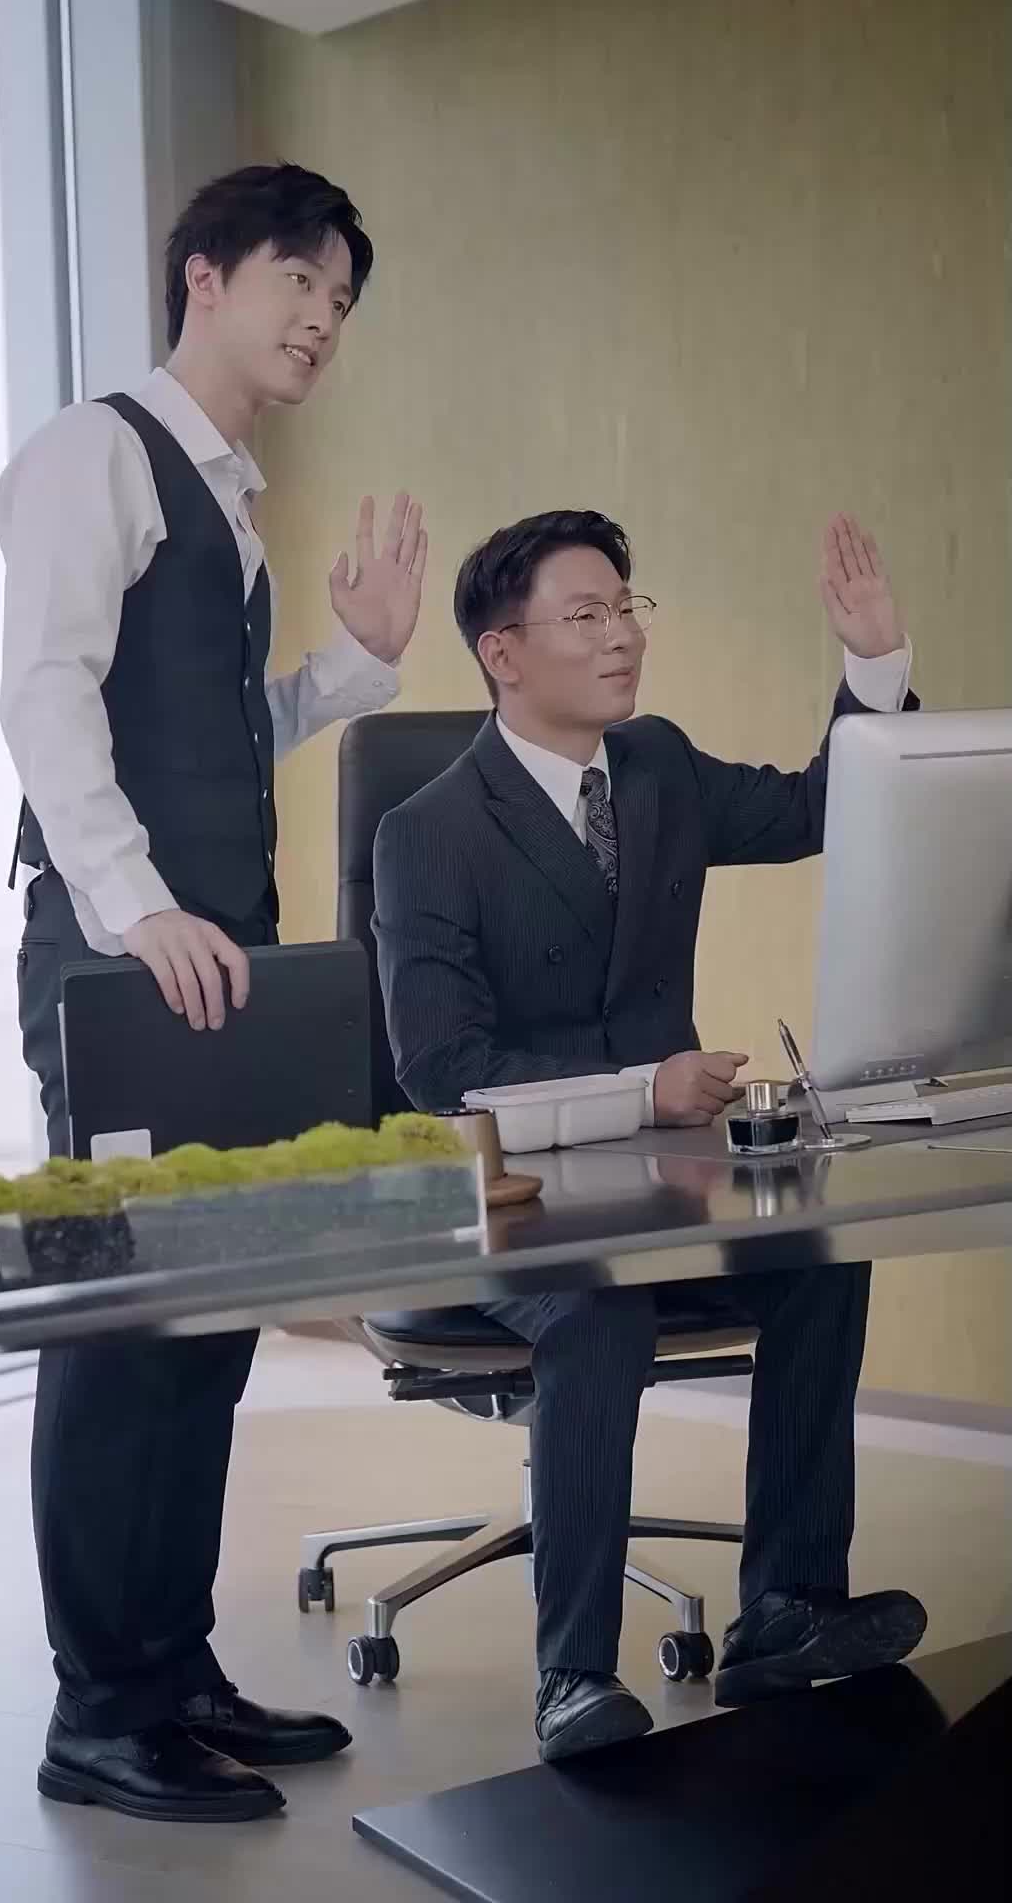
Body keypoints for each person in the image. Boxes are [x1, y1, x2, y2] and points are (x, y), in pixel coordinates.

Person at [0, 162, 427, 1823]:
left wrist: (357, 667)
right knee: (122, 1335)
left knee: (205, 1329)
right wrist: (133, 903)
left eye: (342, 299)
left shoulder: (225, 501)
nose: (323, 318)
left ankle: (172, 1669)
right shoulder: (96, 452)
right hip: (123, 963)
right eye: (298, 280)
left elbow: (220, 731)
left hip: (213, 963)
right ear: (206, 279)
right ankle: (99, 1711)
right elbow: (43, 694)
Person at [373, 508, 927, 1765]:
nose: (622, 635)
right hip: (506, 1198)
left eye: (627, 609)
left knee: (824, 1255)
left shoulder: (659, 766)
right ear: (504, 653)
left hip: (663, 1179)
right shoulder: (429, 833)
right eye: (587, 615)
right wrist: (643, 1090)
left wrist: (874, 663)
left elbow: (820, 809)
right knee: (597, 1310)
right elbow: (445, 1070)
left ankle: (786, 1609)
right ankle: (573, 1676)